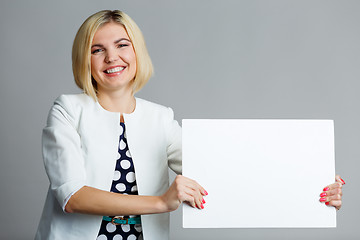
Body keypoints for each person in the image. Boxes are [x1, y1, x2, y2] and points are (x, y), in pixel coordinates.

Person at [35, 10, 344, 240]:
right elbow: (72, 196)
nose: (112, 57)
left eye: (121, 45)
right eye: (97, 49)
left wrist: (309, 185)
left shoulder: (161, 118)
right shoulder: (67, 109)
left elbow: (225, 173)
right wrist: (161, 202)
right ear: (84, 59)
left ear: (137, 52)